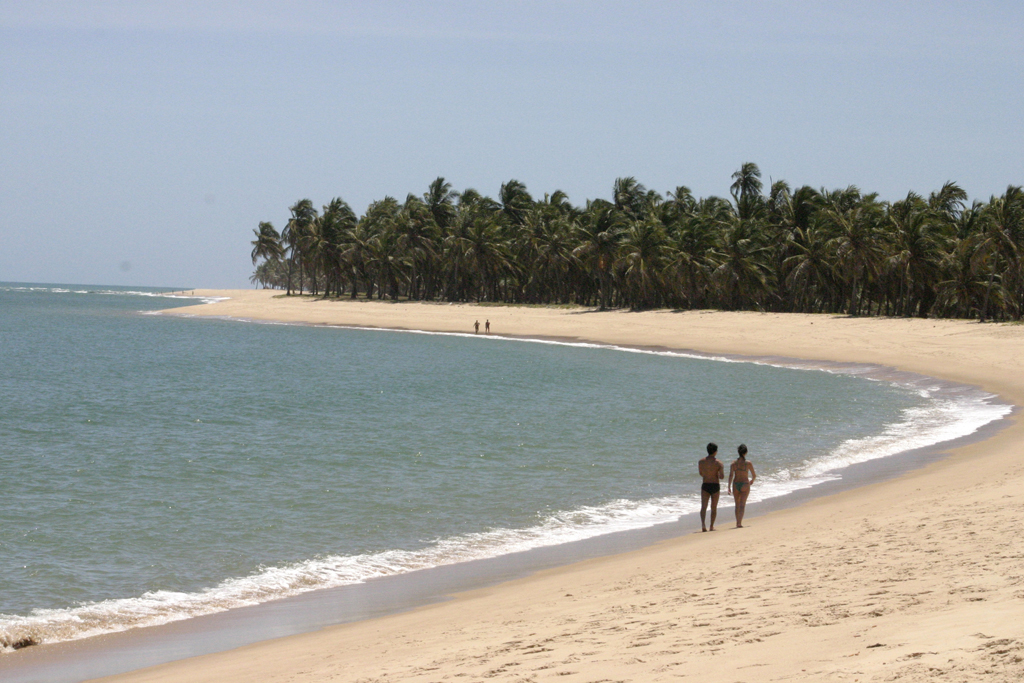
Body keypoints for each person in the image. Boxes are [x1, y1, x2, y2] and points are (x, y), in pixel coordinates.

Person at [728, 444, 756, 528]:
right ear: (746, 452)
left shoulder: (733, 463)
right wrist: (752, 481)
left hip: (736, 484)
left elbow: (730, 475)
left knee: (737, 504)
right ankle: (739, 523)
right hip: (745, 483)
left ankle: (737, 522)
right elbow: (754, 475)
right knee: (742, 504)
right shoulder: (748, 463)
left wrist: (728, 487)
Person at [698, 442, 724, 532]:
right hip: (715, 485)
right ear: (715, 451)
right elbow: (722, 476)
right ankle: (711, 526)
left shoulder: (701, 462)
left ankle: (703, 525)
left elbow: (701, 473)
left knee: (703, 506)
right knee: (714, 507)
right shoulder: (719, 463)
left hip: (705, 485)